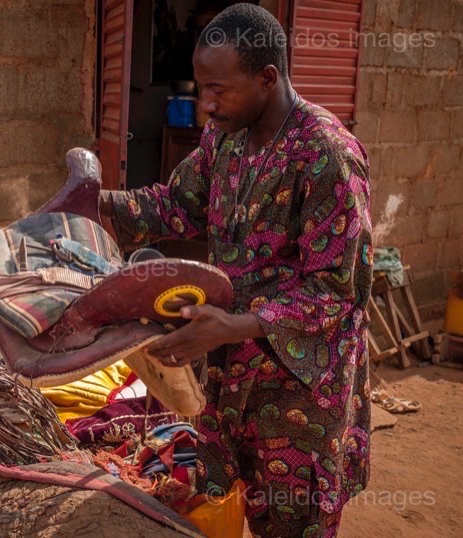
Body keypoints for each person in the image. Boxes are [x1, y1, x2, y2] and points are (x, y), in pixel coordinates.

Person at [99, 4, 372, 537]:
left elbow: (340, 292)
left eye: (219, 90)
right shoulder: (226, 139)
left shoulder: (326, 156)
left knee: (292, 524)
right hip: (233, 375)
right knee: (232, 505)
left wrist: (237, 325)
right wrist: (99, 202)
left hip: (299, 390)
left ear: (268, 78)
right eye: (203, 87)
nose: (207, 105)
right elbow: (177, 205)